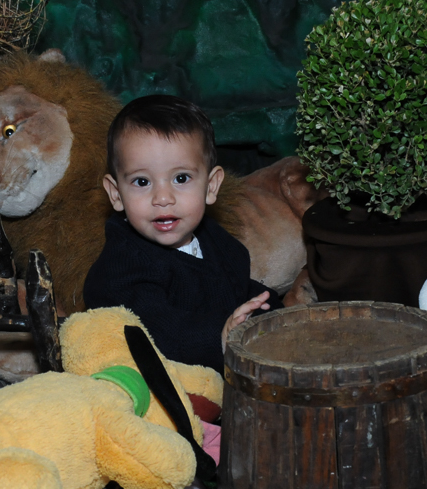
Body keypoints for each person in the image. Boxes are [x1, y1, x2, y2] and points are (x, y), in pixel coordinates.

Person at [83, 95, 281, 375]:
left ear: (211, 186)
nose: (163, 198)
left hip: (224, 371)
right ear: (116, 194)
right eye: (142, 182)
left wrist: (268, 313)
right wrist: (220, 335)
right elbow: (158, 331)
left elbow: (239, 290)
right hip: (160, 388)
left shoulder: (214, 241)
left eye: (181, 178)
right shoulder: (121, 270)